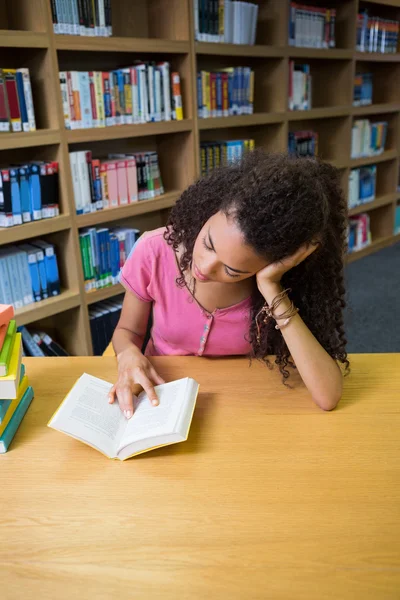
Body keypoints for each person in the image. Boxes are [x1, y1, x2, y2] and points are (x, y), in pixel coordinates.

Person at [109, 150, 349, 417]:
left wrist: (271, 286)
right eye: (208, 244)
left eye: (233, 270)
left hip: (244, 405)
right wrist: (128, 354)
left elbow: (328, 396)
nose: (204, 267)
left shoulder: (280, 284)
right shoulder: (154, 251)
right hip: (162, 398)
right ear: (213, 209)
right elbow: (127, 331)